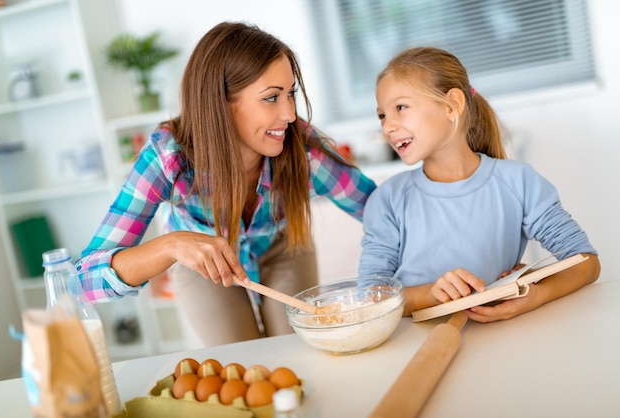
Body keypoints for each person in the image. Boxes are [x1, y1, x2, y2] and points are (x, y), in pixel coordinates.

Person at [76, 22, 376, 346]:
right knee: (244, 364)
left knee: (296, 351)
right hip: (202, 263)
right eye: (272, 97)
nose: (290, 113)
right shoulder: (168, 156)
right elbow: (85, 280)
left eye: (290, 94)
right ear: (221, 103)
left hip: (281, 247)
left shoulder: (300, 146)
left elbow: (381, 211)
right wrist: (171, 245)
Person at [358, 46, 600, 323]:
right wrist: (432, 294)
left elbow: (586, 263)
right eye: (382, 115)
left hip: (502, 339)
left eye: (400, 108)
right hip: (414, 344)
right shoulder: (387, 199)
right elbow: (369, 299)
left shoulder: (518, 182)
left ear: (451, 105)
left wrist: (536, 295)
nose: (387, 126)